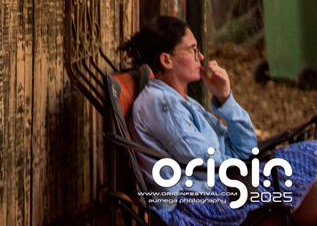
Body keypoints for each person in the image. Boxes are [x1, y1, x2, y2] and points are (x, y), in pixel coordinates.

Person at [121, 16, 317, 226]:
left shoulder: (184, 103)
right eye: (192, 50)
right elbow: (203, 162)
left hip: (221, 180)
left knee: (311, 152)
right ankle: (295, 218)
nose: (201, 56)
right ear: (166, 60)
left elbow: (245, 149)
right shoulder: (160, 104)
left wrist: (225, 98)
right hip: (199, 199)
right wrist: (250, 169)